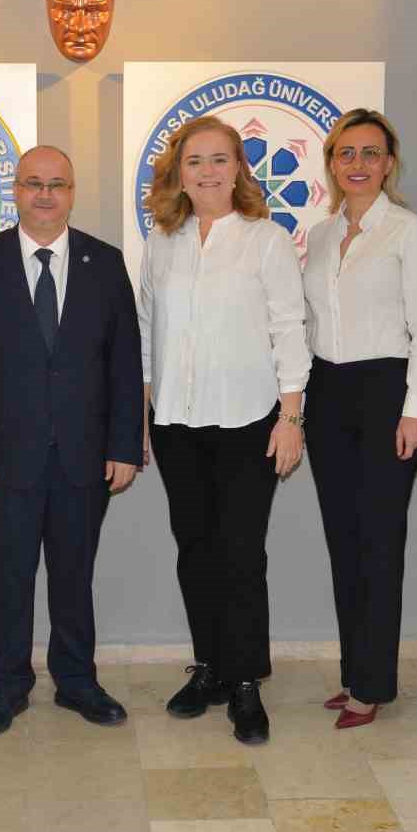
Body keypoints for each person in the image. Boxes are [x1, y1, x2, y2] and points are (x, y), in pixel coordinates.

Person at [0, 145, 143, 737]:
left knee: (73, 576)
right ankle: (6, 686)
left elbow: (124, 363)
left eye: (57, 184)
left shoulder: (104, 263)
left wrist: (125, 446)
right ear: (16, 190)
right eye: (33, 183)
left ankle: (77, 681)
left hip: (85, 457)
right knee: (8, 577)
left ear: (72, 192)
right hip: (4, 461)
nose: (45, 195)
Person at [140, 115, 310, 745]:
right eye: (195, 161)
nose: (207, 172)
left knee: (240, 553)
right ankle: (210, 666)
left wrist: (291, 418)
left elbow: (290, 329)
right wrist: (144, 414)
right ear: (178, 173)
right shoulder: (162, 243)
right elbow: (147, 331)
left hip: (249, 421)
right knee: (195, 549)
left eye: (219, 160)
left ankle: (244, 682)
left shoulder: (266, 240)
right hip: (176, 423)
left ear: (239, 168)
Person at [302, 109, 417, 729]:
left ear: (389, 164)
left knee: (379, 541)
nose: (357, 164)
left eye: (370, 153)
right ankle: (353, 672)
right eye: (346, 153)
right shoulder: (321, 234)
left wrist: (415, 411)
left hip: (387, 392)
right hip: (327, 391)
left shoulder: (408, 231)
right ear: (332, 163)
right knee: (343, 539)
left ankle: (374, 682)